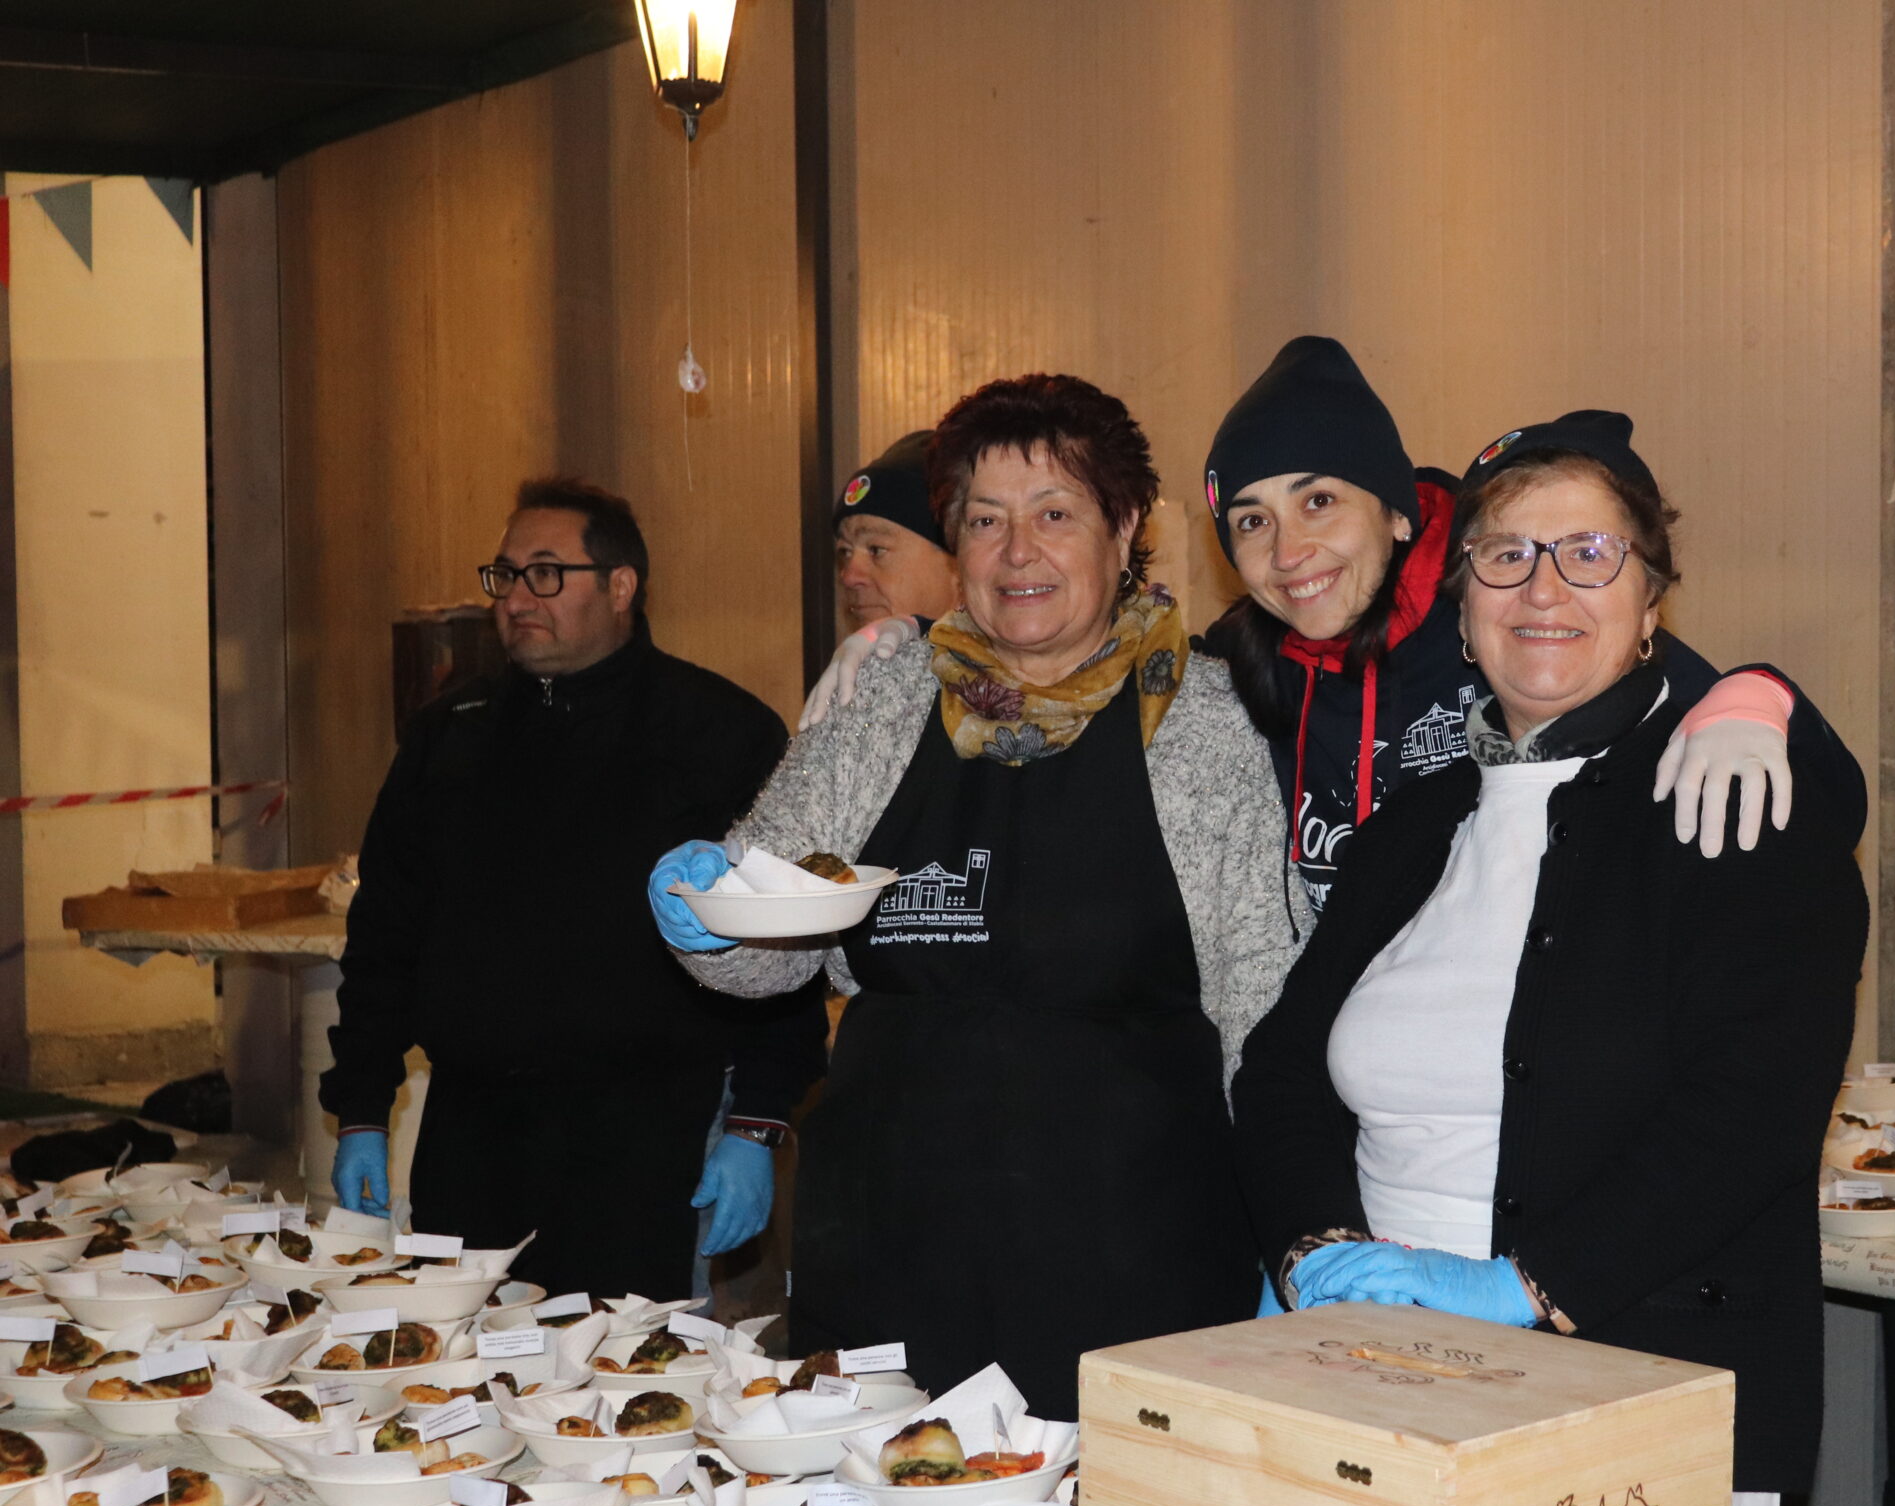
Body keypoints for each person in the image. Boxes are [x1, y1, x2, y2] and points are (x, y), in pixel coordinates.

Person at [1231, 413, 1869, 1506]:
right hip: (1372, 1369)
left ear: (1650, 597)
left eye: (1588, 554)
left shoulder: (1733, 802)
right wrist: (1309, 1246)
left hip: (1636, 1382)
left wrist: (1526, 1287)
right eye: (1505, 556)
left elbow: (1752, 1116)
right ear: (1461, 602)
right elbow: (1281, 1073)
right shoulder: (1413, 826)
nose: (1542, 590)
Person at [648, 376, 1295, 1416]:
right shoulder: (888, 698)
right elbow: (766, 932)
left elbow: (1264, 1011)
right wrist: (705, 915)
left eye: (1055, 514)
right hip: (884, 1250)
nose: (1016, 552)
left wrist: (1286, 1235)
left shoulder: (1207, 722)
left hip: (1134, 1265)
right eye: (985, 521)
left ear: (1126, 525)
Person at [322, 477, 828, 1301]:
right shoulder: (449, 738)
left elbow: (783, 938)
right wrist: (362, 1109)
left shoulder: (718, 732)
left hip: (647, 1139)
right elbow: (385, 936)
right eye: (506, 574)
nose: (517, 597)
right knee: (462, 1362)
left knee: (627, 1371)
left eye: (546, 573)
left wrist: (756, 1121)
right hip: (473, 1137)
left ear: (621, 585)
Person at [1197, 336, 1848, 916]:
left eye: (1319, 501)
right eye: (1252, 521)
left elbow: (1779, 780)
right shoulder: (1238, 669)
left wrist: (1760, 693)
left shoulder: (1506, 619)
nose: (1289, 552)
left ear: (1396, 513)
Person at [799, 431, 963, 731]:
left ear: (958, 566)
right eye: (845, 552)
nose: (849, 576)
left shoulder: (1001, 699)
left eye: (876, 550)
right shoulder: (851, 692)